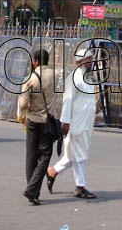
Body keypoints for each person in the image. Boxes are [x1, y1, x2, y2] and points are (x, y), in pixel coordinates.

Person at [47, 41, 99, 199]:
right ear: (81, 62)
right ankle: (80, 186)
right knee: (78, 154)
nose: (91, 63)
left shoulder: (87, 78)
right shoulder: (74, 78)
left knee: (75, 154)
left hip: (85, 123)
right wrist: (65, 122)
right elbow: (68, 101)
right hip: (75, 123)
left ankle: (53, 171)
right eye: (89, 60)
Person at [19, 48, 57, 206]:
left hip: (33, 120)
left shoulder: (29, 79)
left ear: (35, 61)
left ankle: (32, 188)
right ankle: (32, 190)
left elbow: (23, 104)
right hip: (47, 121)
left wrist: (25, 108)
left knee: (31, 155)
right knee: (45, 155)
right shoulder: (55, 75)